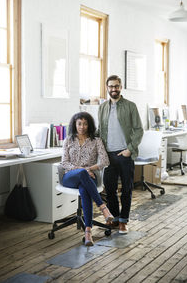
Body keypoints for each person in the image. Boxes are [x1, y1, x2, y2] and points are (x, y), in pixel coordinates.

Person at [98, 75, 143, 234]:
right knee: (109, 189)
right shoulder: (102, 107)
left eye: (116, 86)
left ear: (121, 87)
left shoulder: (130, 106)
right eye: (111, 86)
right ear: (107, 87)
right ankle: (115, 219)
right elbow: (100, 131)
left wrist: (130, 149)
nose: (113, 89)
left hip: (124, 154)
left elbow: (139, 130)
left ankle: (124, 221)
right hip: (108, 155)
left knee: (127, 189)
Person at [61, 111, 113, 246]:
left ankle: (88, 232)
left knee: (84, 191)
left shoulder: (96, 141)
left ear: (89, 125)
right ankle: (103, 207)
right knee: (83, 174)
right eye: (79, 124)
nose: (82, 127)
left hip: (89, 177)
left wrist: (90, 169)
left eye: (85, 124)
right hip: (70, 177)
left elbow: (105, 161)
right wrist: (83, 170)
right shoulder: (68, 140)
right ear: (74, 124)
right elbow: (64, 163)